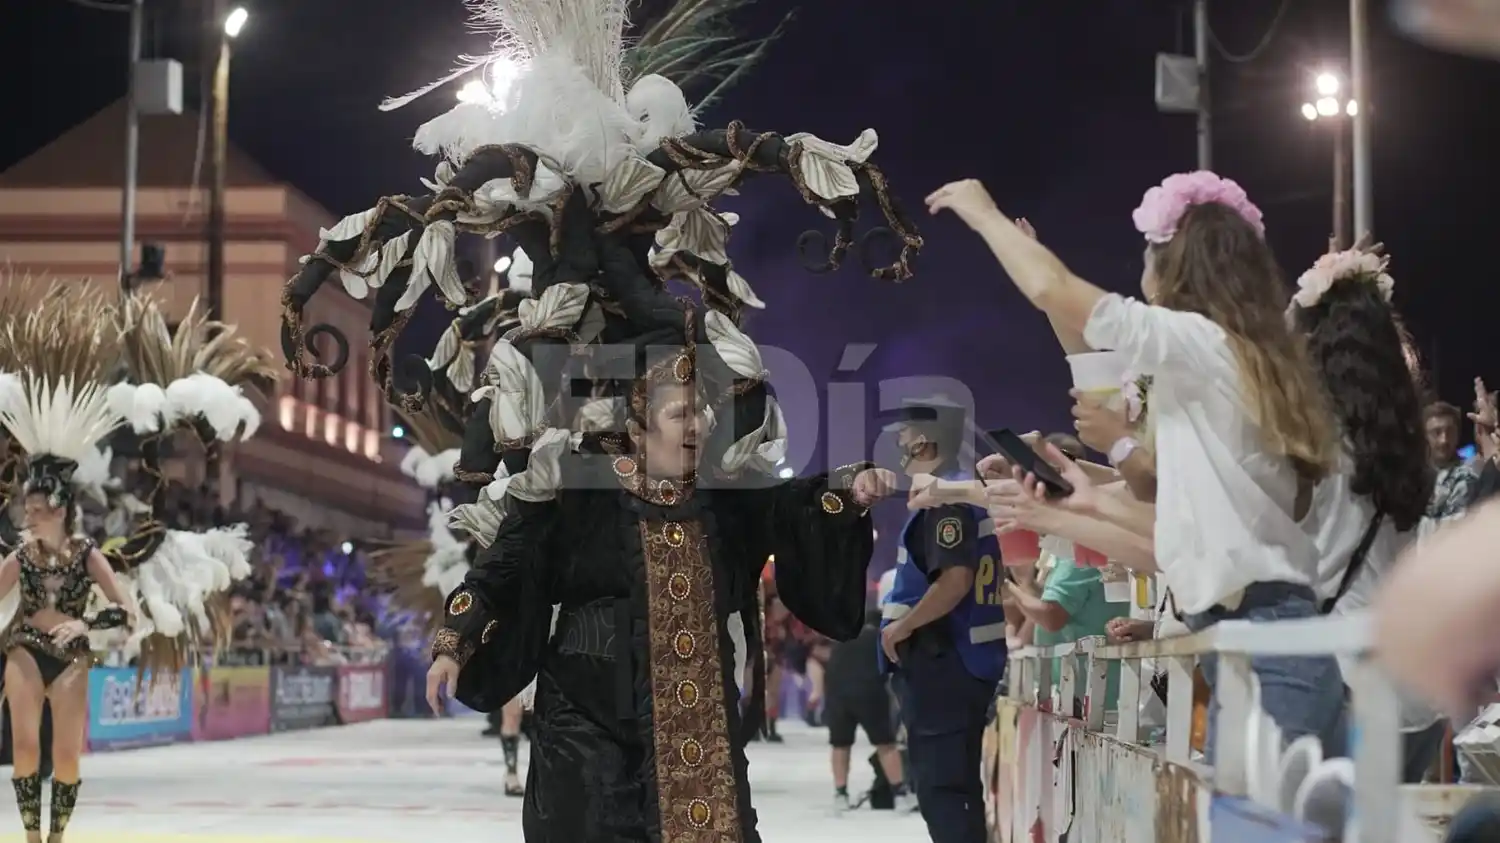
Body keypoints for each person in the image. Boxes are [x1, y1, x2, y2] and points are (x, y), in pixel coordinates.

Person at [927, 171, 1348, 759]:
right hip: (1252, 642)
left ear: (1179, 265)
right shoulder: (1223, 364)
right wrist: (1080, 503)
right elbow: (1165, 538)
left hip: (1268, 647)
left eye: (1150, 252)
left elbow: (1054, 288)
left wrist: (983, 214)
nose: (1141, 268)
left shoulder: (1201, 344)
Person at [1286, 242, 1443, 781]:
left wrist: (1307, 302)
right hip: (1417, 689)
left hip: (1347, 681)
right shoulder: (1406, 442)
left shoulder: (1312, 444)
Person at [0, 379, 135, 842]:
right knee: (23, 747)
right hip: (24, 649)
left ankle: (56, 837)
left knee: (66, 757)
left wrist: (85, 622)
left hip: (73, 656)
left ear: (59, 510)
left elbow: (124, 610)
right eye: (26, 509)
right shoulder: (20, 557)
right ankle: (31, 838)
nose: (27, 517)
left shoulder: (87, 554)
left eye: (35, 509)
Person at [879, 397, 1005, 843]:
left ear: (925, 440)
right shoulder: (960, 495)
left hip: (945, 663)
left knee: (943, 791)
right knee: (958, 788)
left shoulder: (944, 502)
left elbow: (954, 581)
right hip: (966, 664)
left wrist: (902, 626)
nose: (898, 440)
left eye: (905, 432)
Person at [823, 607, 912, 813]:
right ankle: (900, 794)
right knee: (886, 745)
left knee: (840, 745)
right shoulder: (879, 638)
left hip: (838, 694)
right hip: (870, 693)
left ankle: (840, 793)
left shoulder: (842, 638)